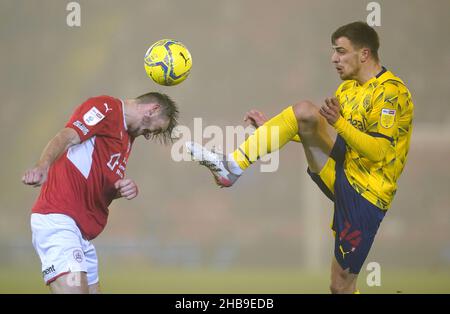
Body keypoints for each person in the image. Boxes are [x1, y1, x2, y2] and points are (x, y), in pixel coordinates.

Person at [186, 21, 414, 293]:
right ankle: (232, 167)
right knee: (304, 112)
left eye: (341, 51)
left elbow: (379, 153)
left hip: (366, 195)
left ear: (364, 54)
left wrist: (339, 124)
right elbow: (336, 145)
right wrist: (277, 129)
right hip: (341, 170)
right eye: (334, 51)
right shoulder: (348, 90)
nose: (334, 59)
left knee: (340, 286)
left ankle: (231, 168)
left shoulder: (390, 93)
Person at [22, 92, 178, 293]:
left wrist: (120, 188)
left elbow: (98, 182)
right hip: (58, 219)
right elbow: (66, 136)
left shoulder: (127, 139)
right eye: (153, 129)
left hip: (81, 234)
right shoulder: (106, 108)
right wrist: (43, 166)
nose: (148, 135)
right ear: (153, 109)